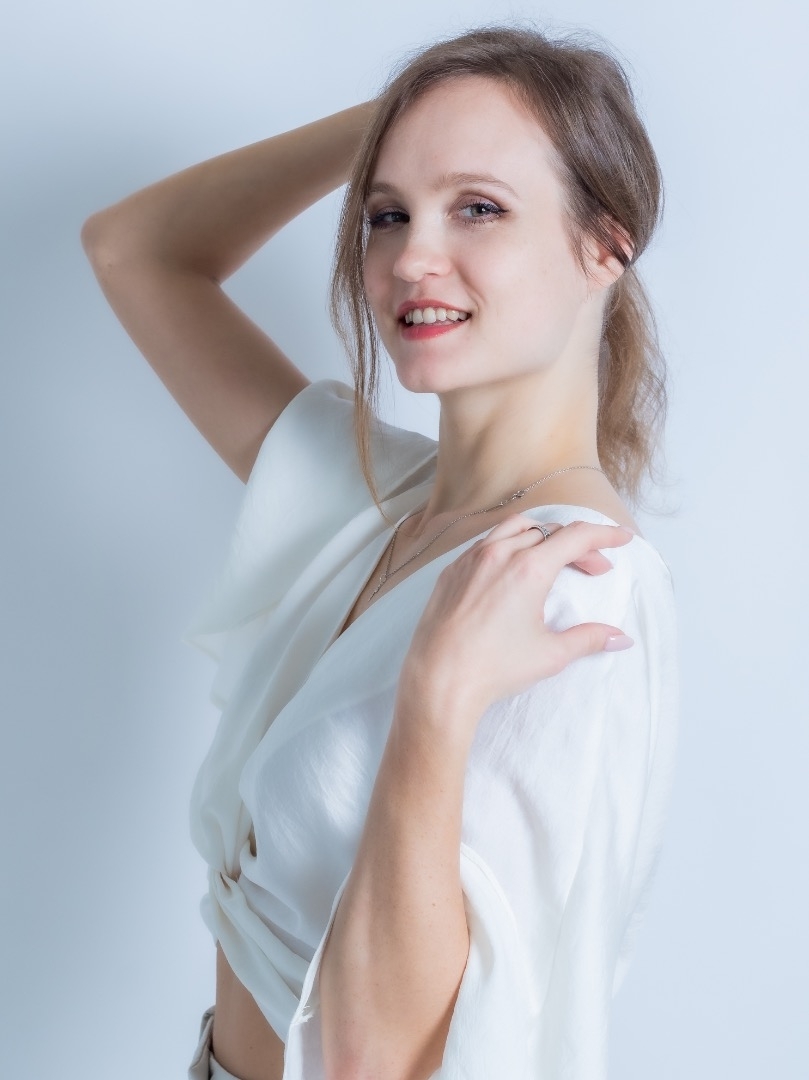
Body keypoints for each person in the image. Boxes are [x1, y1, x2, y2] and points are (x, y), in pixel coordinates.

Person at [82, 24, 678, 1080]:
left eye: (478, 207)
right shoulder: (375, 505)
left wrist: (435, 700)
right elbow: (133, 250)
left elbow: (376, 1059)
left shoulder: (574, 589)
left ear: (603, 244)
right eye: (386, 212)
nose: (409, 258)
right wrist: (404, 120)